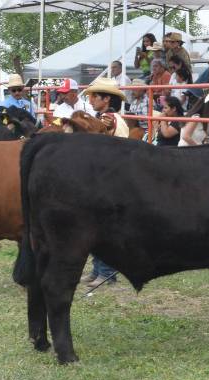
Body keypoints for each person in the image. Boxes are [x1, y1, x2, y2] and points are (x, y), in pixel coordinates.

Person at [80, 77, 132, 288]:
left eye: (94, 96)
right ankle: (99, 270)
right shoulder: (106, 118)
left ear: (105, 98)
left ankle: (106, 272)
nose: (90, 100)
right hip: (107, 176)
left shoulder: (111, 120)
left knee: (103, 228)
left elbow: (113, 146)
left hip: (111, 178)